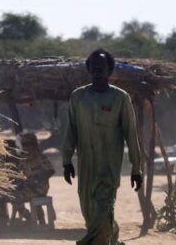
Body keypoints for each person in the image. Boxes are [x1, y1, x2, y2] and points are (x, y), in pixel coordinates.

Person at [61, 49, 143, 245]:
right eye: (94, 67)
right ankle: (114, 241)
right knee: (93, 218)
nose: (97, 71)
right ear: (89, 69)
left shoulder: (120, 98)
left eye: (102, 67)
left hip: (109, 170)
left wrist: (136, 168)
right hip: (86, 170)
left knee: (102, 214)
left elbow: (131, 134)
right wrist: (66, 161)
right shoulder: (78, 97)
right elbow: (71, 130)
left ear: (110, 70)